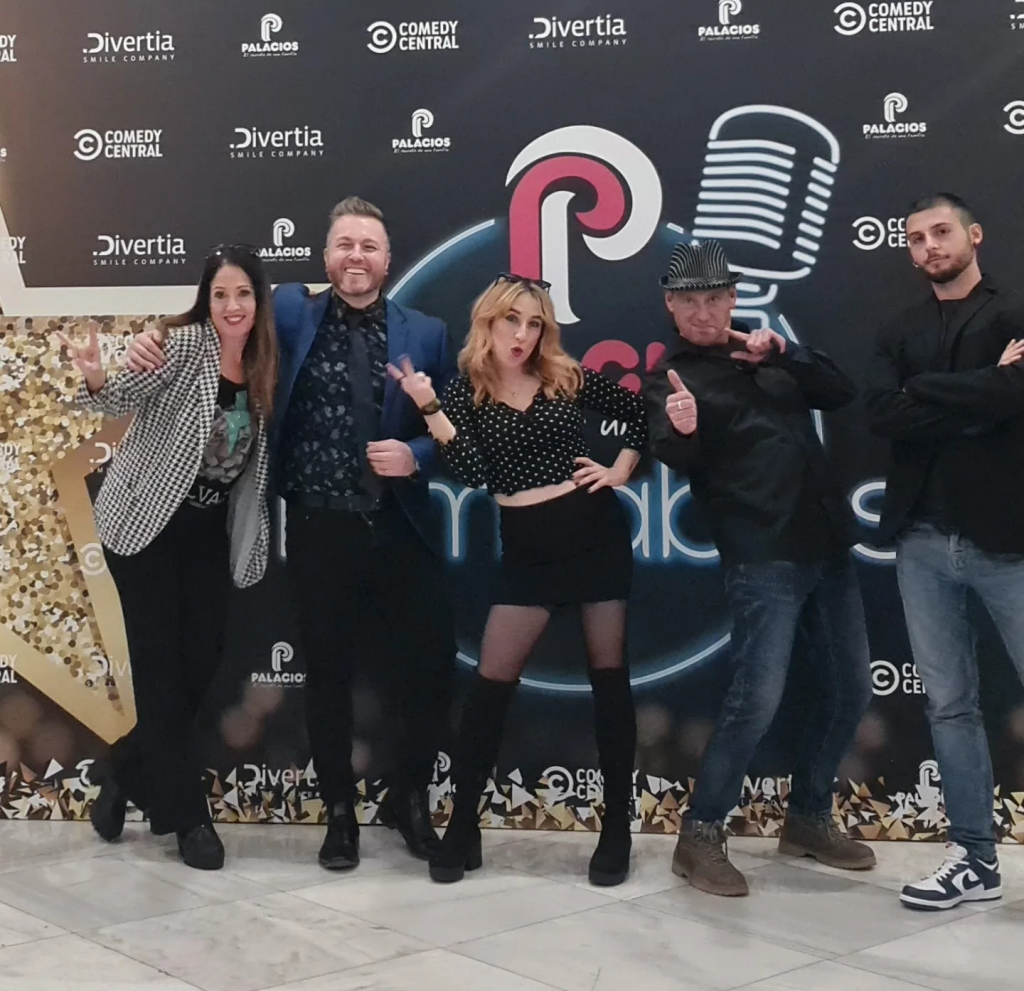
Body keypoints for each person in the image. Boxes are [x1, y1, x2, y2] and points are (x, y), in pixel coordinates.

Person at [128, 197, 457, 871]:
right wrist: (152, 339)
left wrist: (416, 456)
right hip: (316, 528)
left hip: (402, 530)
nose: (356, 256)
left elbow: (455, 429)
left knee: (425, 671)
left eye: (369, 245)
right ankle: (339, 816)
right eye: (345, 244)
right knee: (327, 675)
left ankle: (410, 802)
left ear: (388, 260)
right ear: (326, 256)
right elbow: (219, 314)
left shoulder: (427, 332)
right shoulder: (288, 312)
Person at [388, 273, 647, 886]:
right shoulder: (464, 392)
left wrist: (620, 471)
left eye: (534, 324)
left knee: (610, 683)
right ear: (489, 321)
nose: (523, 335)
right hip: (528, 552)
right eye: (513, 320)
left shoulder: (563, 376)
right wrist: (430, 408)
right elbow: (475, 473)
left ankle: (616, 830)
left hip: (595, 537)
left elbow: (639, 412)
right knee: (489, 690)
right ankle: (462, 828)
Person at [644, 240, 875, 897]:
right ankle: (699, 835)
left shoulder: (766, 354)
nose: (704, 312)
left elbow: (840, 391)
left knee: (852, 690)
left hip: (828, 546)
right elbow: (674, 454)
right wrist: (684, 428)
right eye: (691, 301)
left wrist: (786, 353)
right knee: (757, 701)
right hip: (762, 556)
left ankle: (807, 818)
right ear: (671, 305)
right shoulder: (670, 379)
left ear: (733, 298)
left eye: (715, 298)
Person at [62, 244, 276, 870]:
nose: (232, 306)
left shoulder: (266, 363)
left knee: (201, 666)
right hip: (146, 527)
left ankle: (124, 771)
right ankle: (188, 821)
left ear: (258, 299)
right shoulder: (181, 347)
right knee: (159, 672)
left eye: (243, 294)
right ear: (205, 300)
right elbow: (117, 395)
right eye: (220, 294)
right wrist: (96, 375)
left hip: (207, 531)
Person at [865, 193, 1024, 911]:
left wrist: (926, 392)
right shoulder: (897, 327)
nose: (928, 246)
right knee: (950, 706)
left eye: (940, 232)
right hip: (921, 541)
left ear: (974, 235)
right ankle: (974, 860)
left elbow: (1014, 400)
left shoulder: (1013, 315)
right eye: (915, 238)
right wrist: (983, 389)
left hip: (1006, 540)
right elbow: (881, 411)